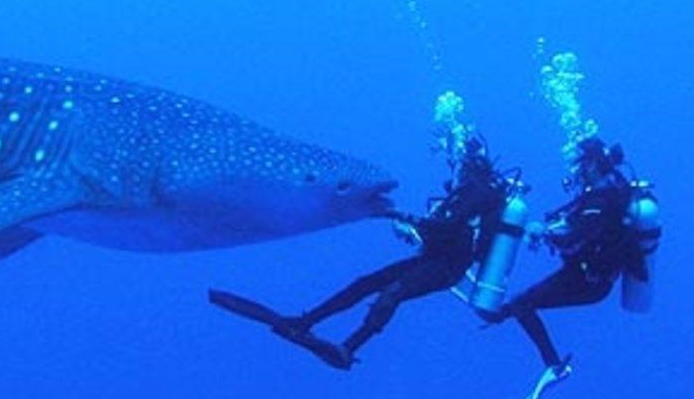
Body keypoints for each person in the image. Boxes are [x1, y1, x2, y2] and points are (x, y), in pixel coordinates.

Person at [209, 136, 508, 370]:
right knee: (364, 283)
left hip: (447, 268)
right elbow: (444, 229)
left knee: (391, 294)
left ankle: (349, 348)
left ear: (469, 164)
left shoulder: (479, 194)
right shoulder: (465, 193)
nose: (455, 169)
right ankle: (305, 322)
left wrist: (401, 217)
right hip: (433, 258)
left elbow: (446, 226)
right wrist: (412, 228)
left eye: (459, 163)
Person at [483, 136, 647, 374]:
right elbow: (578, 221)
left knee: (522, 304)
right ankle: (500, 315)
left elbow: (577, 238)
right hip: (585, 274)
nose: (576, 170)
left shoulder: (600, 199)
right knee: (516, 304)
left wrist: (546, 235)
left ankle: (553, 366)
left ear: (590, 164)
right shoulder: (612, 188)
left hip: (589, 281)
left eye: (578, 163)